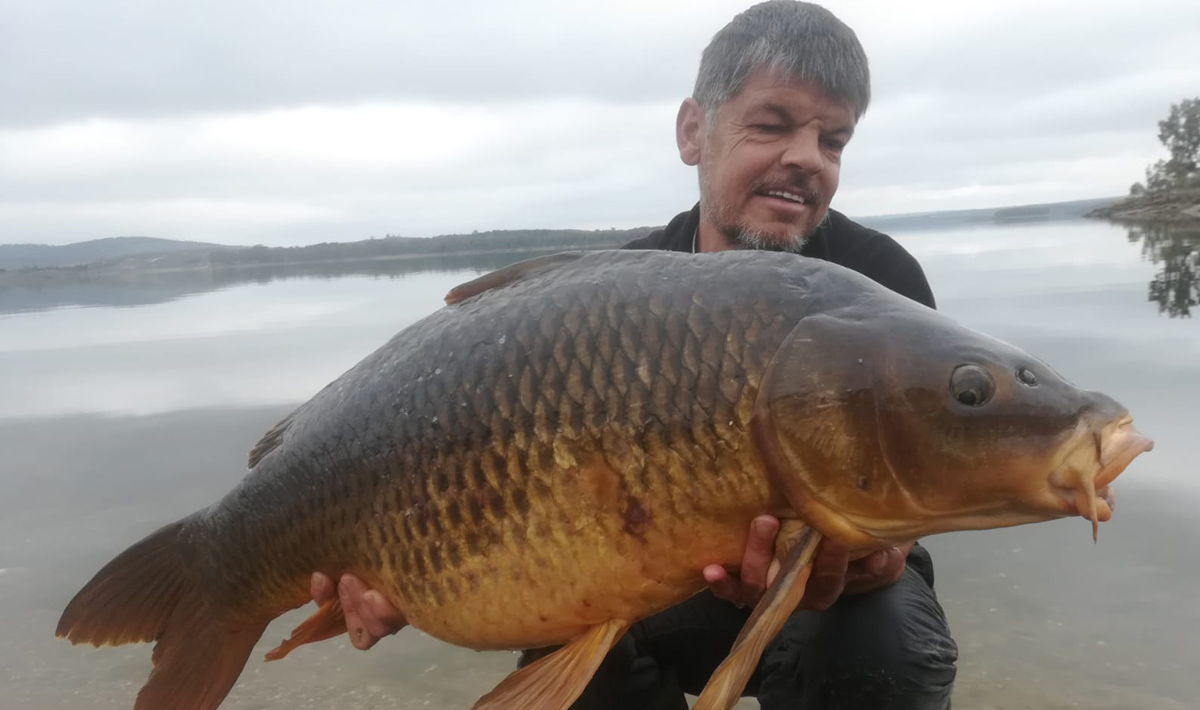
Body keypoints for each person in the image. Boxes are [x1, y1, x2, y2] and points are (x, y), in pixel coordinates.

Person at [312, 2, 958, 707]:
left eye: (832, 141)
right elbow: (509, 506)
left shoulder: (877, 286)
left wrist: (861, 560)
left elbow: (903, 523)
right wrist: (410, 578)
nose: (806, 157)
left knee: (886, 650)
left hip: (834, 599)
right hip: (653, 591)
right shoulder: (612, 303)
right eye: (772, 124)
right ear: (694, 131)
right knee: (572, 644)